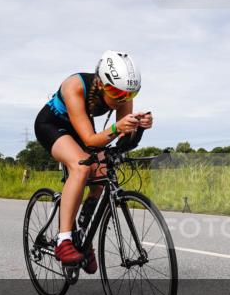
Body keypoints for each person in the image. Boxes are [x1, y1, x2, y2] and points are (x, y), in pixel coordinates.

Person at [34, 51, 153, 270]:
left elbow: (123, 144)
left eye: (130, 95)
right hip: (51, 126)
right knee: (80, 167)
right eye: (117, 93)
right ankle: (64, 241)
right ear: (101, 82)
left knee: (103, 171)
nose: (122, 100)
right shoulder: (74, 86)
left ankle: (83, 237)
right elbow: (90, 139)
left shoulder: (122, 97)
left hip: (80, 128)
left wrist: (138, 128)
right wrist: (117, 128)